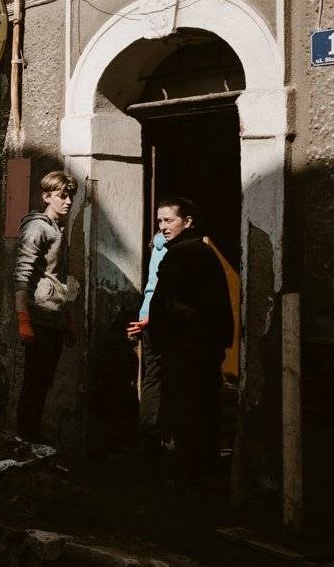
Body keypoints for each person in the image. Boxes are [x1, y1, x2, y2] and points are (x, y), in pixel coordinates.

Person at [147, 198, 234, 481]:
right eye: (159, 221)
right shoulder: (196, 250)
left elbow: (174, 304)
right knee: (202, 410)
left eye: (169, 220)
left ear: (188, 221)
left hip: (187, 348)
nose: (162, 227)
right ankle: (200, 472)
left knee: (189, 412)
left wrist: (166, 336)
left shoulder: (185, 253)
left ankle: (191, 475)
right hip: (198, 345)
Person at [13, 170, 80, 442]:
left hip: (53, 317)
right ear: (46, 197)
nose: (67, 201)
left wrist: (67, 320)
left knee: (44, 382)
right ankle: (26, 439)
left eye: (70, 196)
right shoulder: (37, 227)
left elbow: (57, 279)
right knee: (35, 382)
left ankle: (33, 437)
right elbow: (21, 274)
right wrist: (23, 320)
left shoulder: (57, 228)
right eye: (62, 196)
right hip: (39, 317)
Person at [127, 230, 168, 452]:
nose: (164, 225)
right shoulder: (170, 246)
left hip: (149, 313)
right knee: (160, 374)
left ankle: (149, 433)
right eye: (162, 221)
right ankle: (155, 432)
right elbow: (160, 286)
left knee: (153, 375)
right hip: (157, 316)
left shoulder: (158, 242)